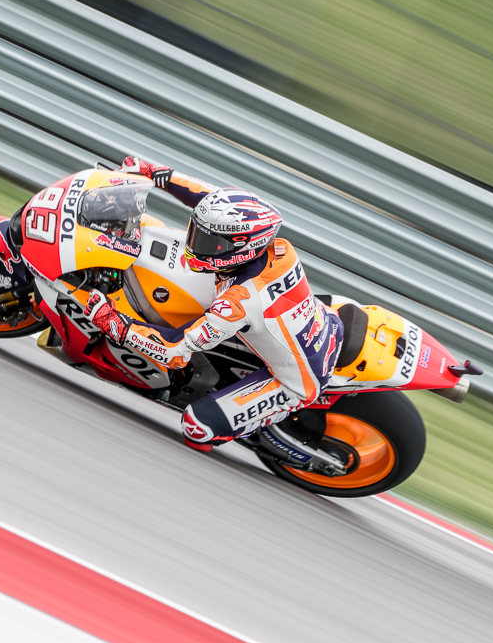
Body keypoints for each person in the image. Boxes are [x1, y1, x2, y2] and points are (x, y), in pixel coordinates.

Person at [84, 156, 344, 451]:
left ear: (242, 248)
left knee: (196, 426)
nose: (197, 244)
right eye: (198, 233)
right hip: (319, 323)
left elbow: (174, 350)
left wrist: (115, 323)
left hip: (298, 378)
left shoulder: (240, 301)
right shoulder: (275, 246)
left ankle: (261, 429)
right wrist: (155, 173)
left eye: (213, 244)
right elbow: (202, 196)